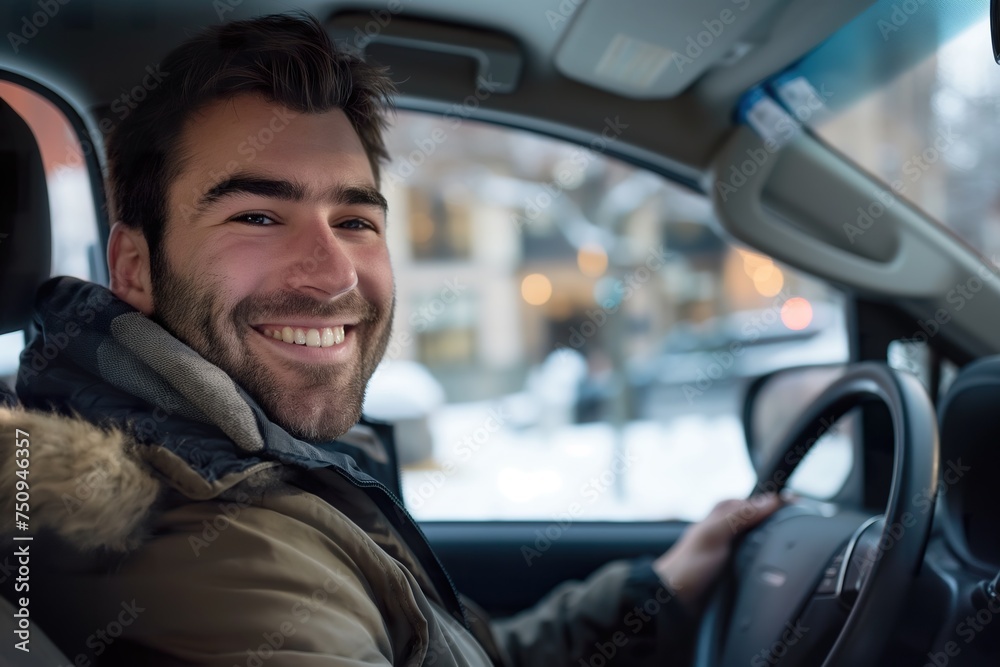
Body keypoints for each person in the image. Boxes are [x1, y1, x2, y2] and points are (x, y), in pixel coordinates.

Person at [0, 13, 781, 666]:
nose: (333, 273)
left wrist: (659, 589)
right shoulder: (218, 551)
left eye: (355, 221)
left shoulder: (271, 468)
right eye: (258, 217)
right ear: (133, 266)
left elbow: (464, 651)